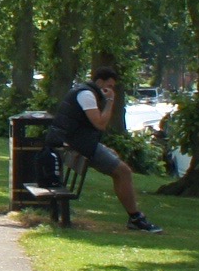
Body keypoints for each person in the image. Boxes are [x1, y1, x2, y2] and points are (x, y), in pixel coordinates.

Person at [48, 59, 160, 233]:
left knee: (120, 169)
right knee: (124, 172)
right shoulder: (86, 95)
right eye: (109, 85)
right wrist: (109, 102)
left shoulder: (83, 91)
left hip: (76, 144)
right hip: (81, 147)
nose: (110, 90)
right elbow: (100, 124)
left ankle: (135, 216)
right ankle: (136, 217)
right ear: (99, 82)